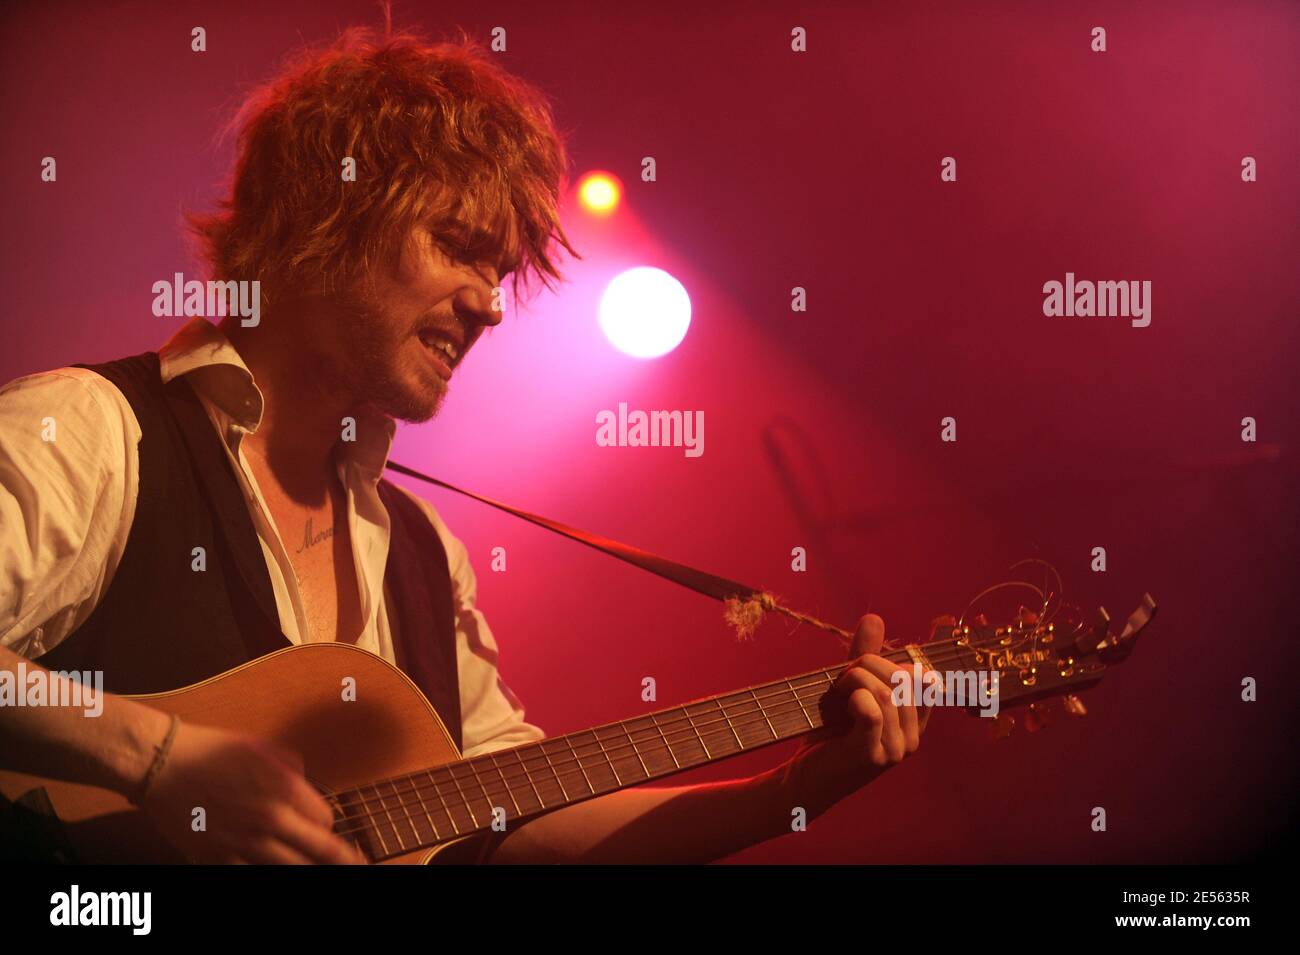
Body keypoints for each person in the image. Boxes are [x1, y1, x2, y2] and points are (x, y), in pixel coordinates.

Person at [0, 27, 924, 864]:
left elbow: (509, 824)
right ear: (326, 217)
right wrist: (156, 758)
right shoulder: (95, 431)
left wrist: (794, 793)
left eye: (502, 271)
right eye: (458, 244)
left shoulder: (421, 552)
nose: (490, 301)